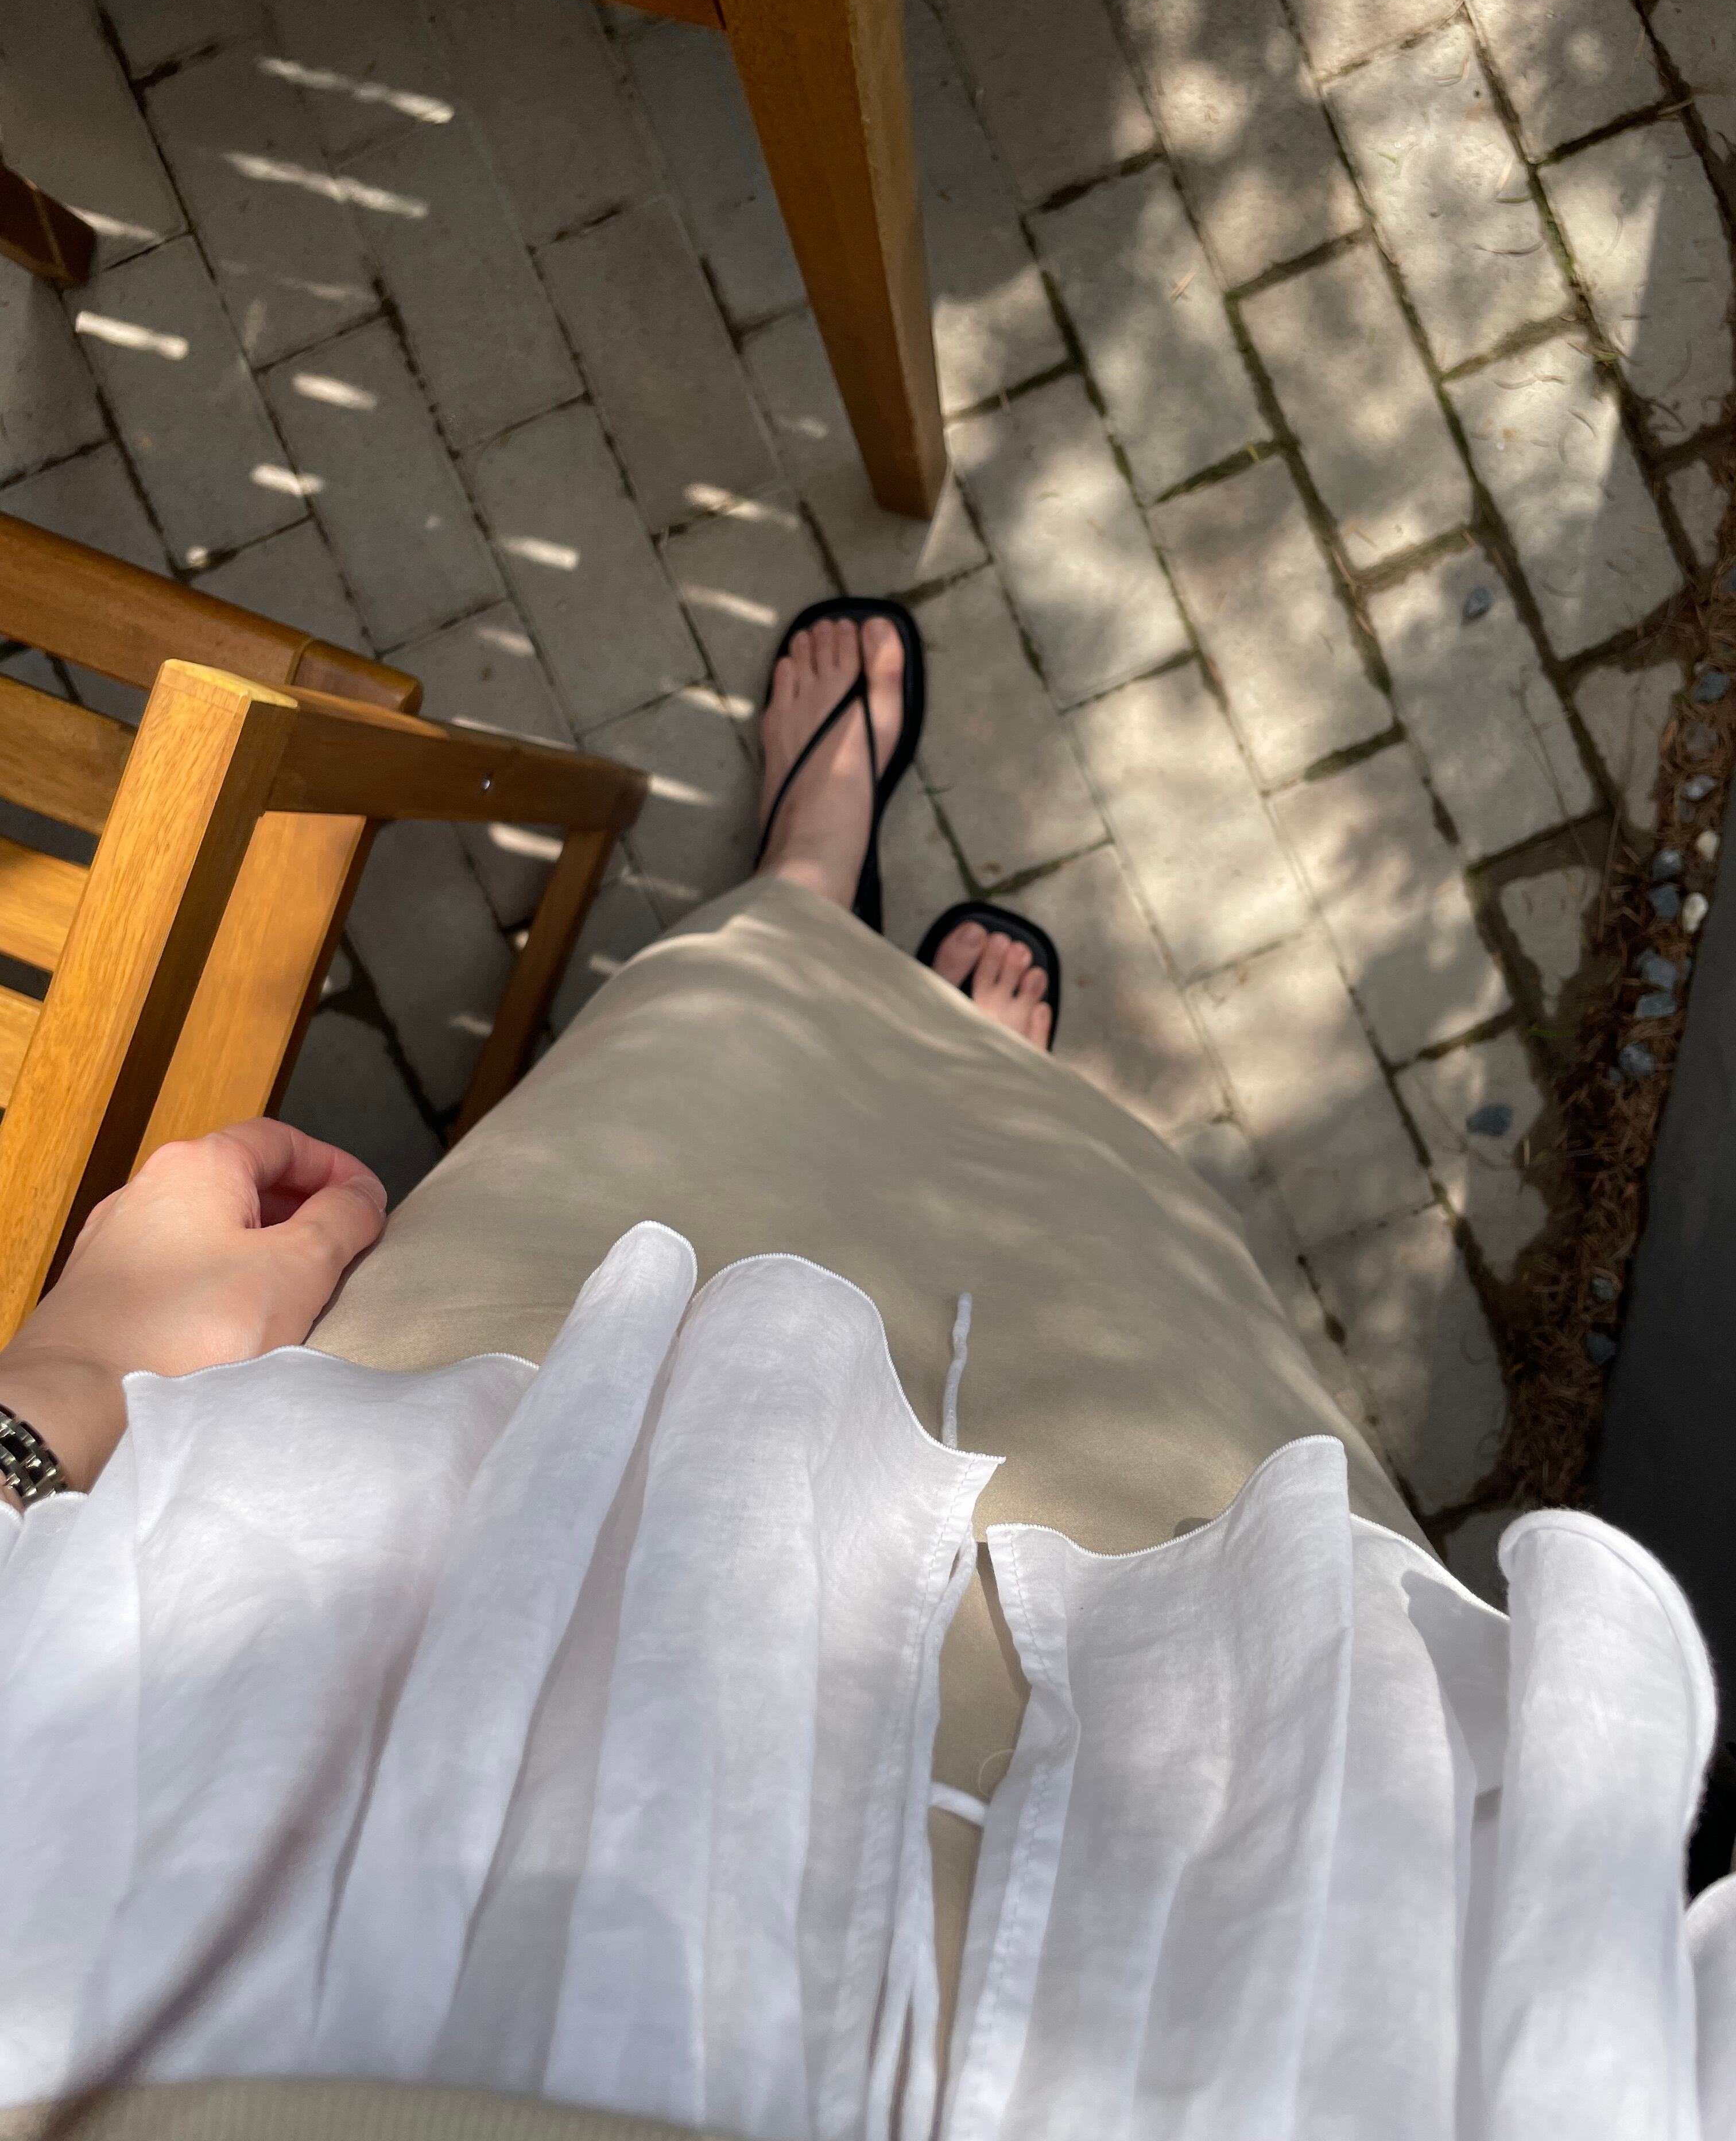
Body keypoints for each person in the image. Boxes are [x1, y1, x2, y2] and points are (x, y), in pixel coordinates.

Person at [2, 610, 1734, 2140]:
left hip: (290, 1828)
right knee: (1111, 1313)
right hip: (1250, 1971)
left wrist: (66, 1389)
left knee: (689, 1144)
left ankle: (807, 909)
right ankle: (973, 1082)